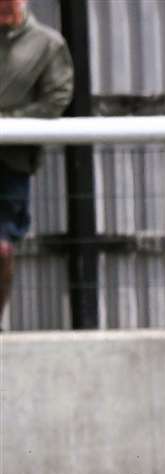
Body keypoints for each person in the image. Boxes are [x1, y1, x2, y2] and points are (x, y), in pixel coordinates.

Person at [0, 0, 72, 328]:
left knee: (2, 249)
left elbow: (56, 99)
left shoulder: (47, 43)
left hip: (11, 161)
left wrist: (9, 123)